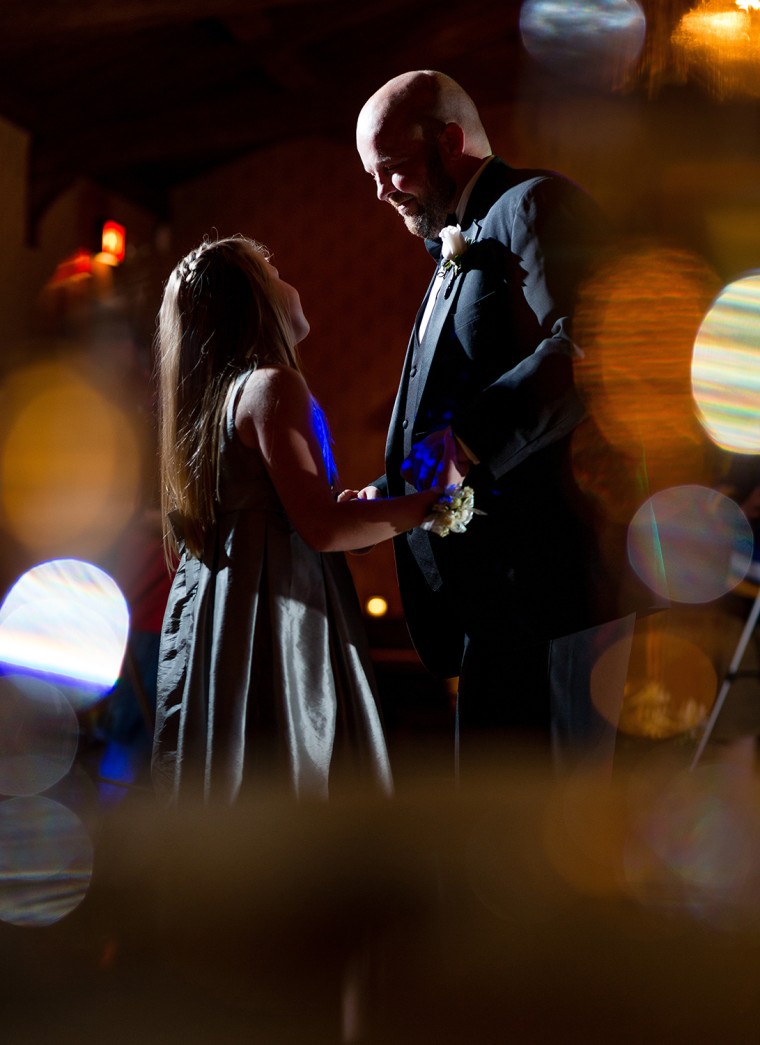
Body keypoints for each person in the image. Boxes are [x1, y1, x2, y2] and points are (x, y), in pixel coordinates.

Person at [355, 70, 640, 774]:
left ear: (450, 141)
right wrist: (395, 483)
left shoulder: (536, 203)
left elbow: (596, 344)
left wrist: (466, 441)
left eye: (390, 169)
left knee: (559, 838)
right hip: (496, 612)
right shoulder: (458, 248)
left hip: (554, 597)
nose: (381, 192)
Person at [153, 234, 451, 803]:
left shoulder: (224, 398)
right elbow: (320, 530)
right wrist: (432, 502)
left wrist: (345, 509)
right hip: (278, 607)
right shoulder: (273, 385)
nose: (290, 282)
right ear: (254, 300)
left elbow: (299, 512)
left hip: (231, 610)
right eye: (275, 270)